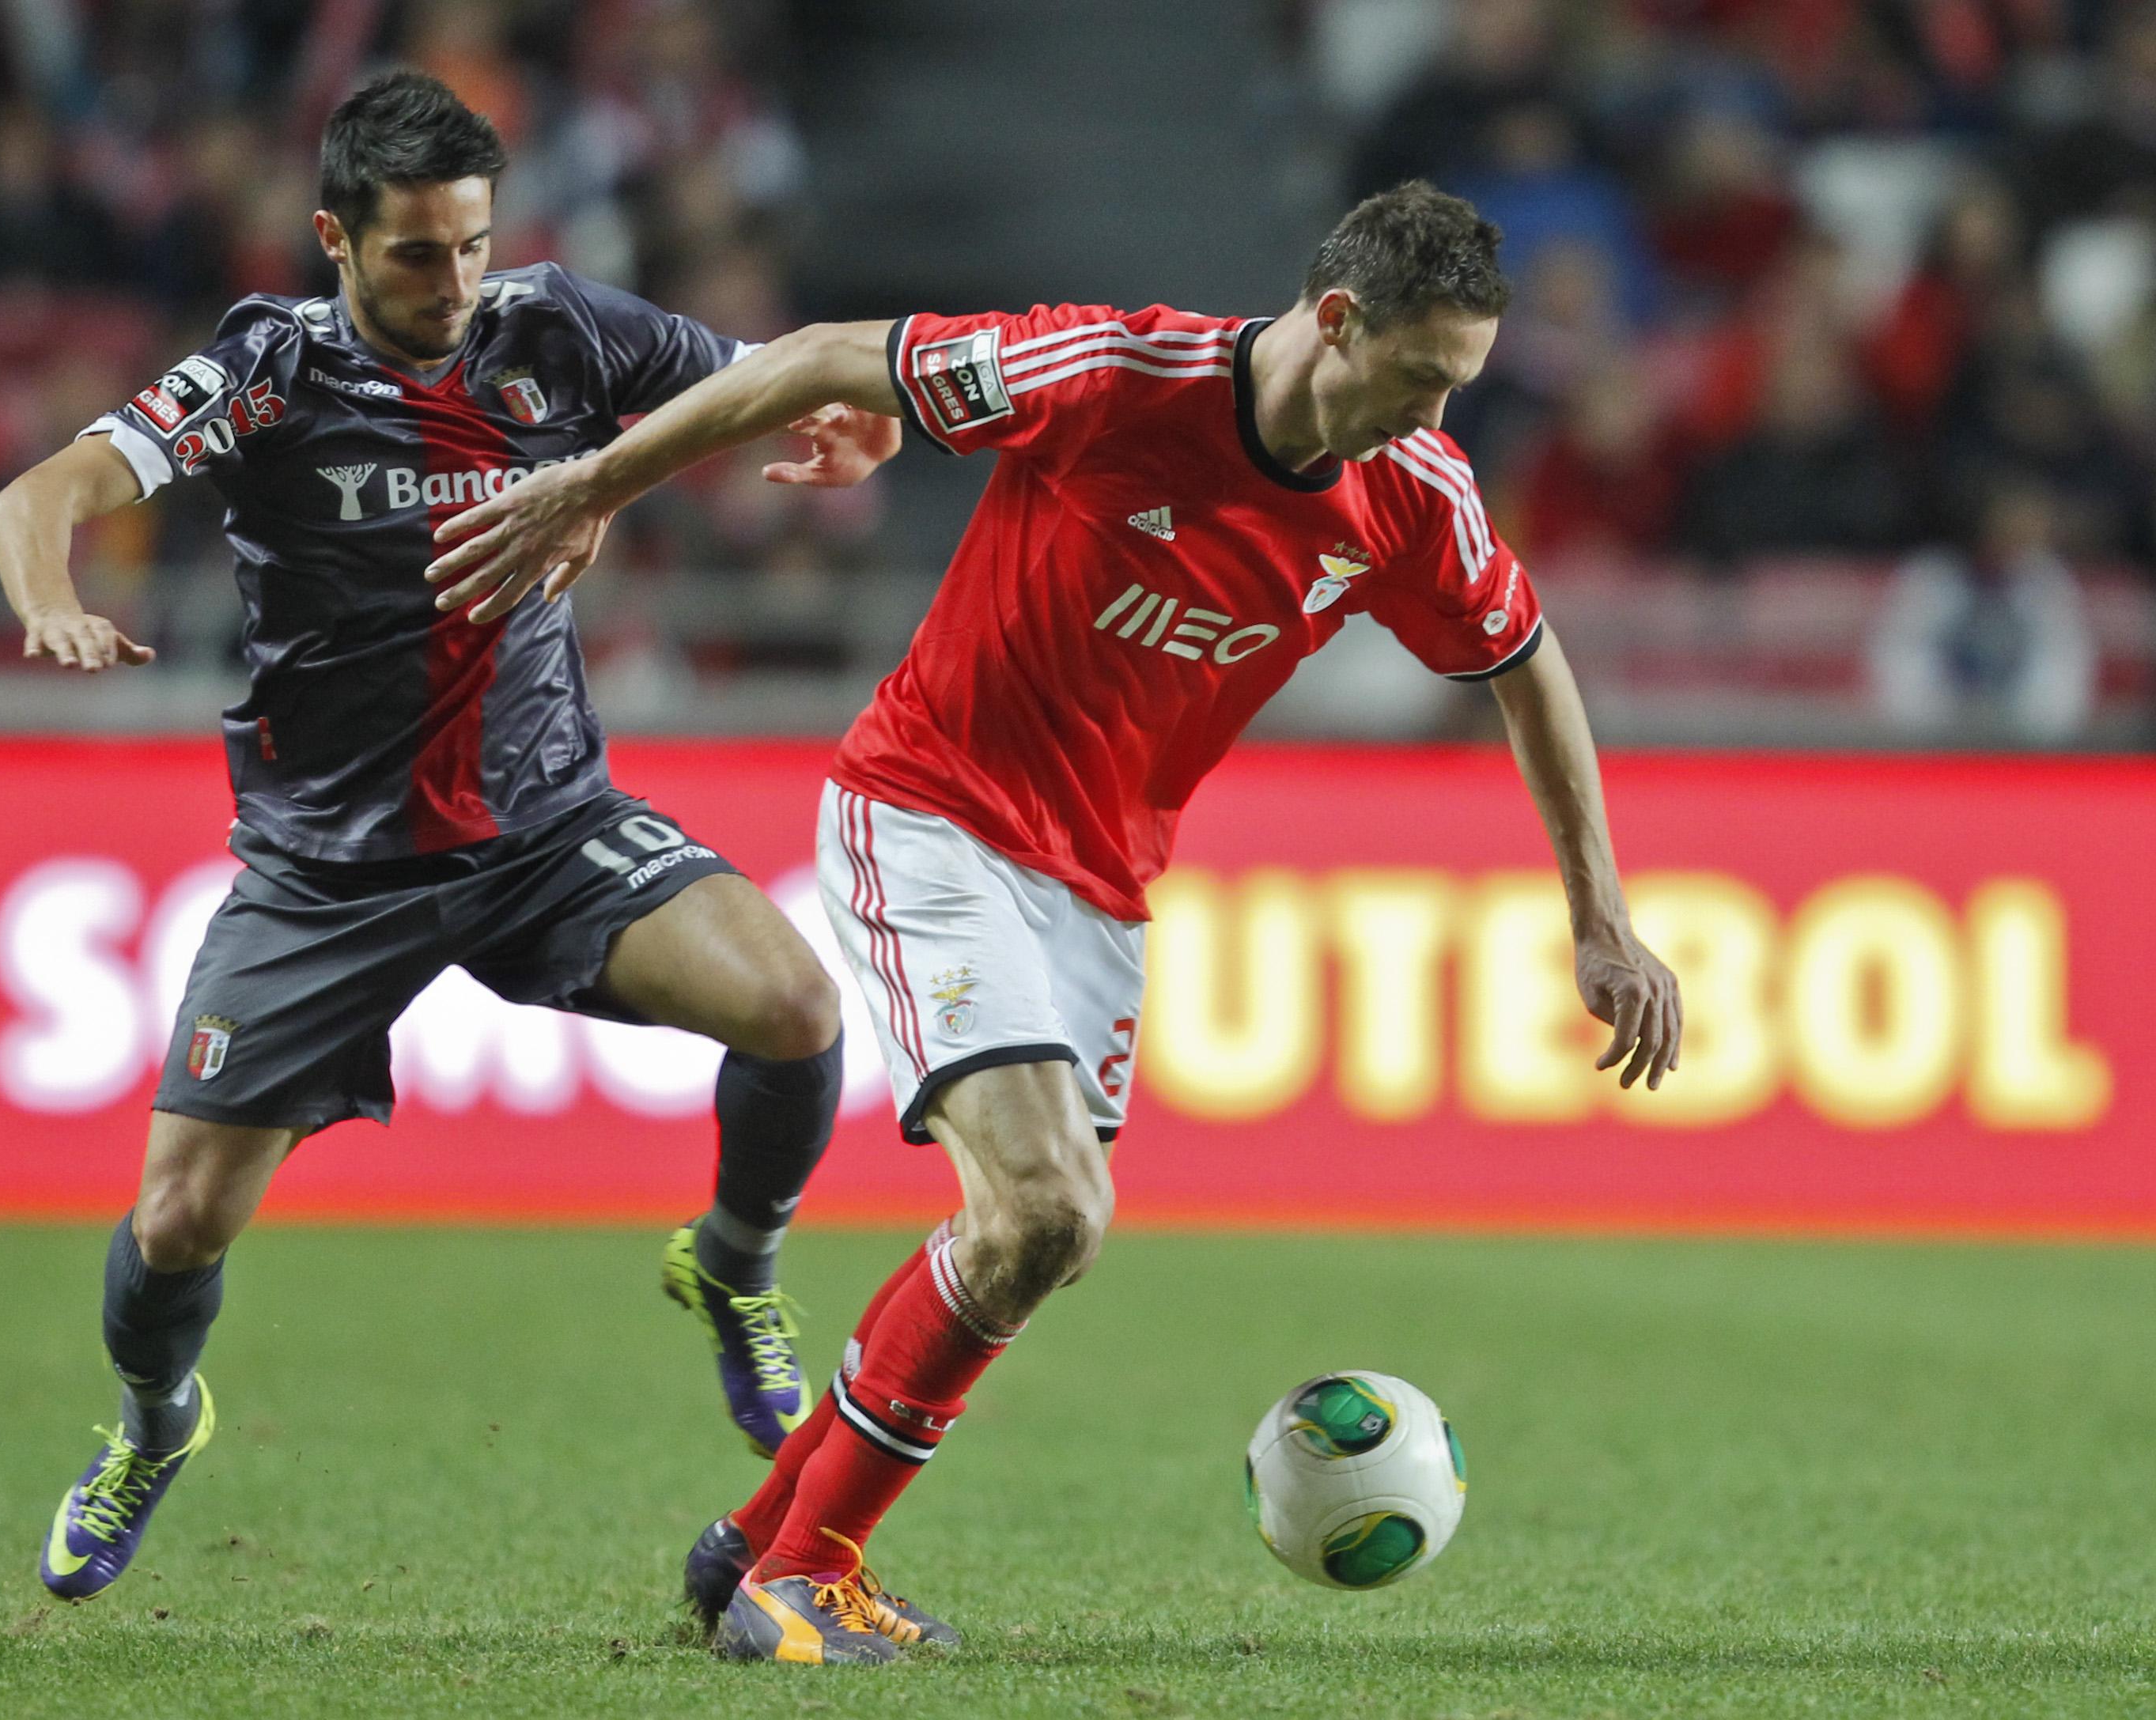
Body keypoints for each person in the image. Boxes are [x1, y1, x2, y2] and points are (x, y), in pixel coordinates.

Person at [427, 180, 1685, 1663]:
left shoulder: (1414, 495)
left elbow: (1525, 661)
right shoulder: (1111, 374)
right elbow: (829, 353)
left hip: (1098, 886)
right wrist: (598, 485)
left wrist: (1601, 920)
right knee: (1044, 1209)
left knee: (1034, 1243)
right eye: (1418, 379)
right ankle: (805, 1575)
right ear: (1337, 322)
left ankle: (758, 1538)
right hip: (930, 815)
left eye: (1456, 389)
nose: (1433, 415)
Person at [0, 71, 901, 1605]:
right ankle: (154, 1422)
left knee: (800, 1008)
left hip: (541, 826)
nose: (455, 282)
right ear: (336, 238)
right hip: (329, 874)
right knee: (175, 1220)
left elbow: (766, 379)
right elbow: (40, 494)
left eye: (473, 243)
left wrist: (843, 420)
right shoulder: (265, 368)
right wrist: (51, 600)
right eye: (418, 254)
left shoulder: (557, 329)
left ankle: (734, 1261)